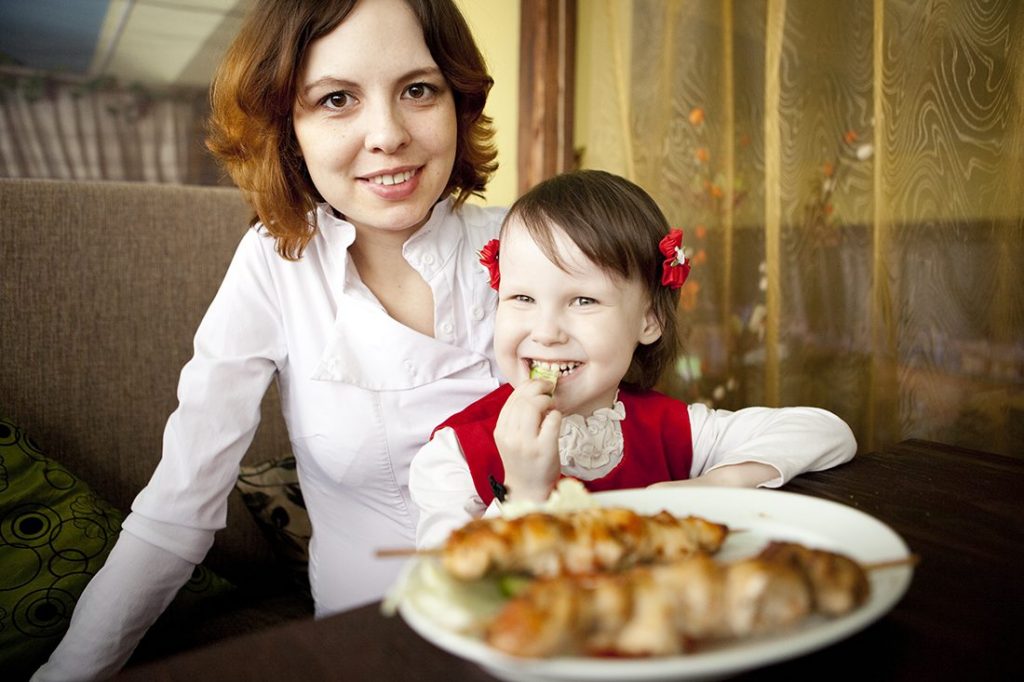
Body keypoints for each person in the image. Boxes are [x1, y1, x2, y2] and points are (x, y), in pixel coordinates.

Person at [34, 0, 505, 679]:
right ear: (288, 126)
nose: (388, 133)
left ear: (456, 99)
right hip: (369, 654)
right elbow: (177, 509)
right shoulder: (273, 266)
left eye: (418, 89)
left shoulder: (523, 242)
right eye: (337, 98)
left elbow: (628, 435)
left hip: (549, 628)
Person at [410, 170, 856, 548]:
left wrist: (713, 487)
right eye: (522, 297)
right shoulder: (454, 455)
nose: (546, 332)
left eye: (583, 300)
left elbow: (829, 433)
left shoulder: (675, 430)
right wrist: (523, 493)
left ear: (648, 320)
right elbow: (447, 582)